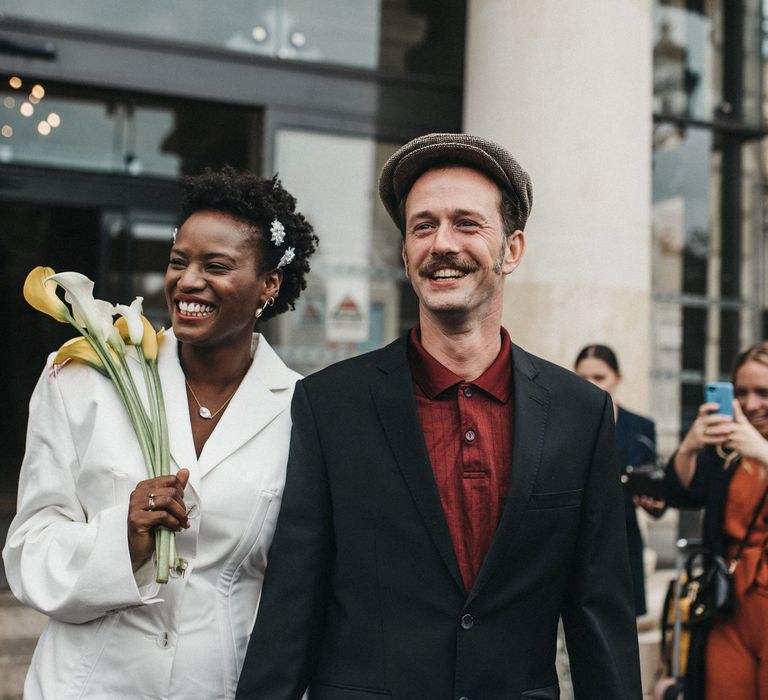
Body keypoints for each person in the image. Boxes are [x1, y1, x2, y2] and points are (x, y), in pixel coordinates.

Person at [236, 133, 642, 699]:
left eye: (467, 224)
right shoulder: (331, 404)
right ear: (405, 254)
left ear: (513, 249)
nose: (441, 243)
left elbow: (601, 620)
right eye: (423, 226)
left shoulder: (582, 413)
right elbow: (290, 608)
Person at [3, 166, 317, 699]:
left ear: (269, 284)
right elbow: (29, 552)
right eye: (178, 261)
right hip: (87, 686)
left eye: (216, 266)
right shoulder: (85, 378)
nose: (188, 281)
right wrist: (120, 538)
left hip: (218, 686)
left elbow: (297, 591)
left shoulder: (301, 411)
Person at [664, 341, 768, 700]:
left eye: (763, 392)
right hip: (728, 600)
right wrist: (690, 446)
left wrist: (764, 454)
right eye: (741, 392)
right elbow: (680, 493)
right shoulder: (727, 446)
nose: (751, 404)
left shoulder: (754, 447)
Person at [575, 343, 664, 617]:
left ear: (617, 378)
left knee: (621, 631)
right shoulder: (563, 423)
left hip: (623, 541)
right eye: (582, 378)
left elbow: (656, 494)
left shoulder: (640, 427)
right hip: (575, 543)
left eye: (599, 377)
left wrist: (653, 499)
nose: (590, 385)